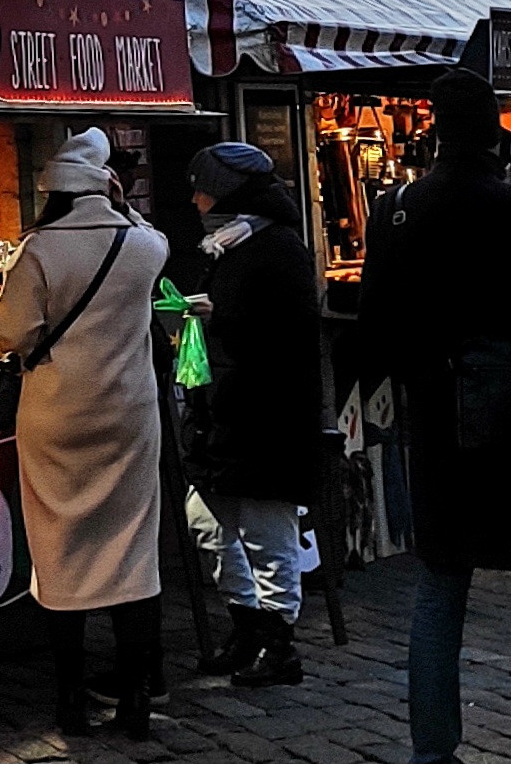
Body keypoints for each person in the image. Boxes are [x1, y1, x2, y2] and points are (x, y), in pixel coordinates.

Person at [0, 127, 170, 737]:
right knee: (132, 552)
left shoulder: (38, 248)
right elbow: (154, 239)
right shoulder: (144, 246)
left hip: (56, 418)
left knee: (59, 553)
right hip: (127, 416)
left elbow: (11, 333)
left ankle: (70, 699)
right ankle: (137, 700)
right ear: (105, 185)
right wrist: (117, 201)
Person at [358, 63, 511, 764]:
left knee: (440, 584)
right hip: (507, 417)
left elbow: (375, 323)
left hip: (437, 420)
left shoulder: (402, 208)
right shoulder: (505, 204)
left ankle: (432, 747)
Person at [178, 140, 323, 687]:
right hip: (220, 413)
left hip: (266, 417)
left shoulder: (279, 248)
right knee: (208, 525)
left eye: (204, 189)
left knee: (268, 536)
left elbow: (290, 337)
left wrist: (221, 317)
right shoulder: (225, 245)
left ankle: (279, 641)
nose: (195, 200)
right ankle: (246, 626)